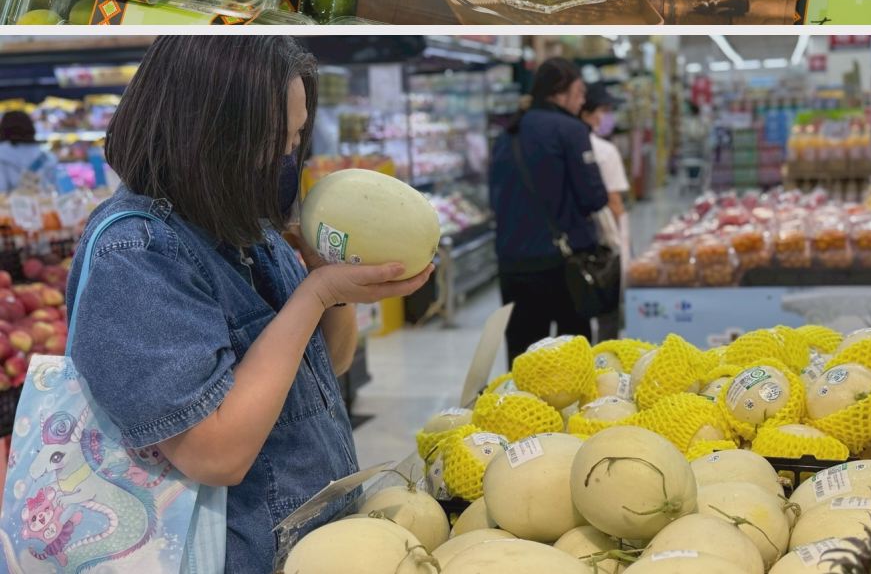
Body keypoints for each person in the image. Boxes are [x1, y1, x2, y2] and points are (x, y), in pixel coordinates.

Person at [67, 38, 434, 569]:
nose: (285, 158)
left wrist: (332, 281)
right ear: (205, 133)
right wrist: (316, 294)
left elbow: (328, 366)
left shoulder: (246, 225)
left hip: (313, 545)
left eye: (294, 137)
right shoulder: (135, 253)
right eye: (272, 140)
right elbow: (214, 455)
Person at [489, 57, 610, 358]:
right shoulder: (571, 130)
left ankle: (519, 406)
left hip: (513, 264)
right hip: (562, 264)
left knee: (524, 356)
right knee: (572, 358)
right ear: (560, 91)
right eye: (580, 92)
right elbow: (593, 197)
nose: (583, 101)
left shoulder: (508, 134)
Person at [580, 84, 630, 343]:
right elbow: (615, 202)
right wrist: (623, 242)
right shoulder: (605, 151)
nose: (606, 117)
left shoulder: (562, 146)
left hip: (575, 245)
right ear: (588, 113)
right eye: (603, 110)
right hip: (604, 245)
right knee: (608, 313)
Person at [0, 109, 74, 194]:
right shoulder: (46, 157)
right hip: (44, 205)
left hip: (11, 206)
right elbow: (62, 190)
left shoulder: (2, 154)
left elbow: (2, 189)